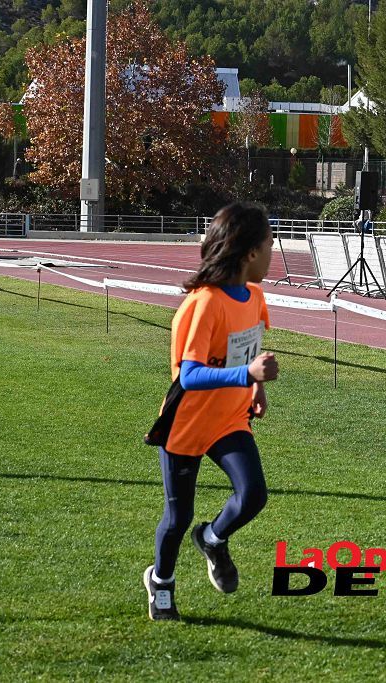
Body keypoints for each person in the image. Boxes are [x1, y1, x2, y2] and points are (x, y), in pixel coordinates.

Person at [143, 203, 278, 621]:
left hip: (230, 419)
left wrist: (255, 386)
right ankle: (160, 583)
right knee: (177, 516)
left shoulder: (254, 296)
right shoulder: (203, 303)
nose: (274, 250)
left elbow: (248, 348)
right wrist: (246, 374)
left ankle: (214, 538)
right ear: (250, 253)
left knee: (253, 494)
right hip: (187, 423)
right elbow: (189, 375)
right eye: (270, 243)